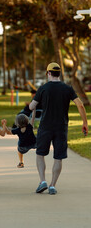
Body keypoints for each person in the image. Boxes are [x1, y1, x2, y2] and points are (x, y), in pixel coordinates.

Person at [29, 62, 88, 195]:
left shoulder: (43, 88)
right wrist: (85, 123)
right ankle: (52, 185)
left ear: (48, 73)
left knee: (40, 154)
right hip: (61, 127)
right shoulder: (67, 88)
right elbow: (80, 105)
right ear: (59, 73)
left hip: (45, 127)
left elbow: (32, 107)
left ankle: (42, 181)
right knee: (58, 157)